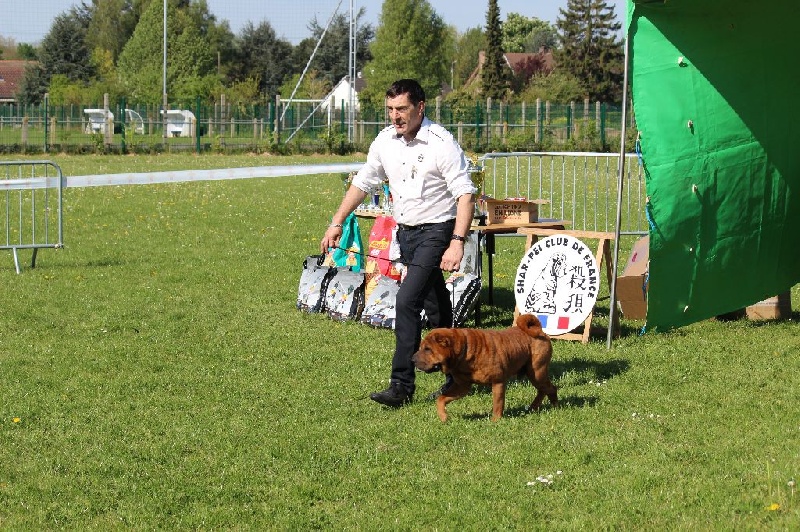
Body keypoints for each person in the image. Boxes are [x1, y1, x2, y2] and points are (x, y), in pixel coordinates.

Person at [320, 79, 476, 408]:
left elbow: (465, 194)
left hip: (437, 230)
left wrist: (457, 242)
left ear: (420, 107)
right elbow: (363, 182)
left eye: (402, 109)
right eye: (390, 109)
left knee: (406, 301)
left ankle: (401, 385)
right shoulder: (384, 141)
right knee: (436, 302)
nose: (395, 116)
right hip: (405, 232)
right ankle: (460, 373)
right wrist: (337, 221)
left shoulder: (441, 142)